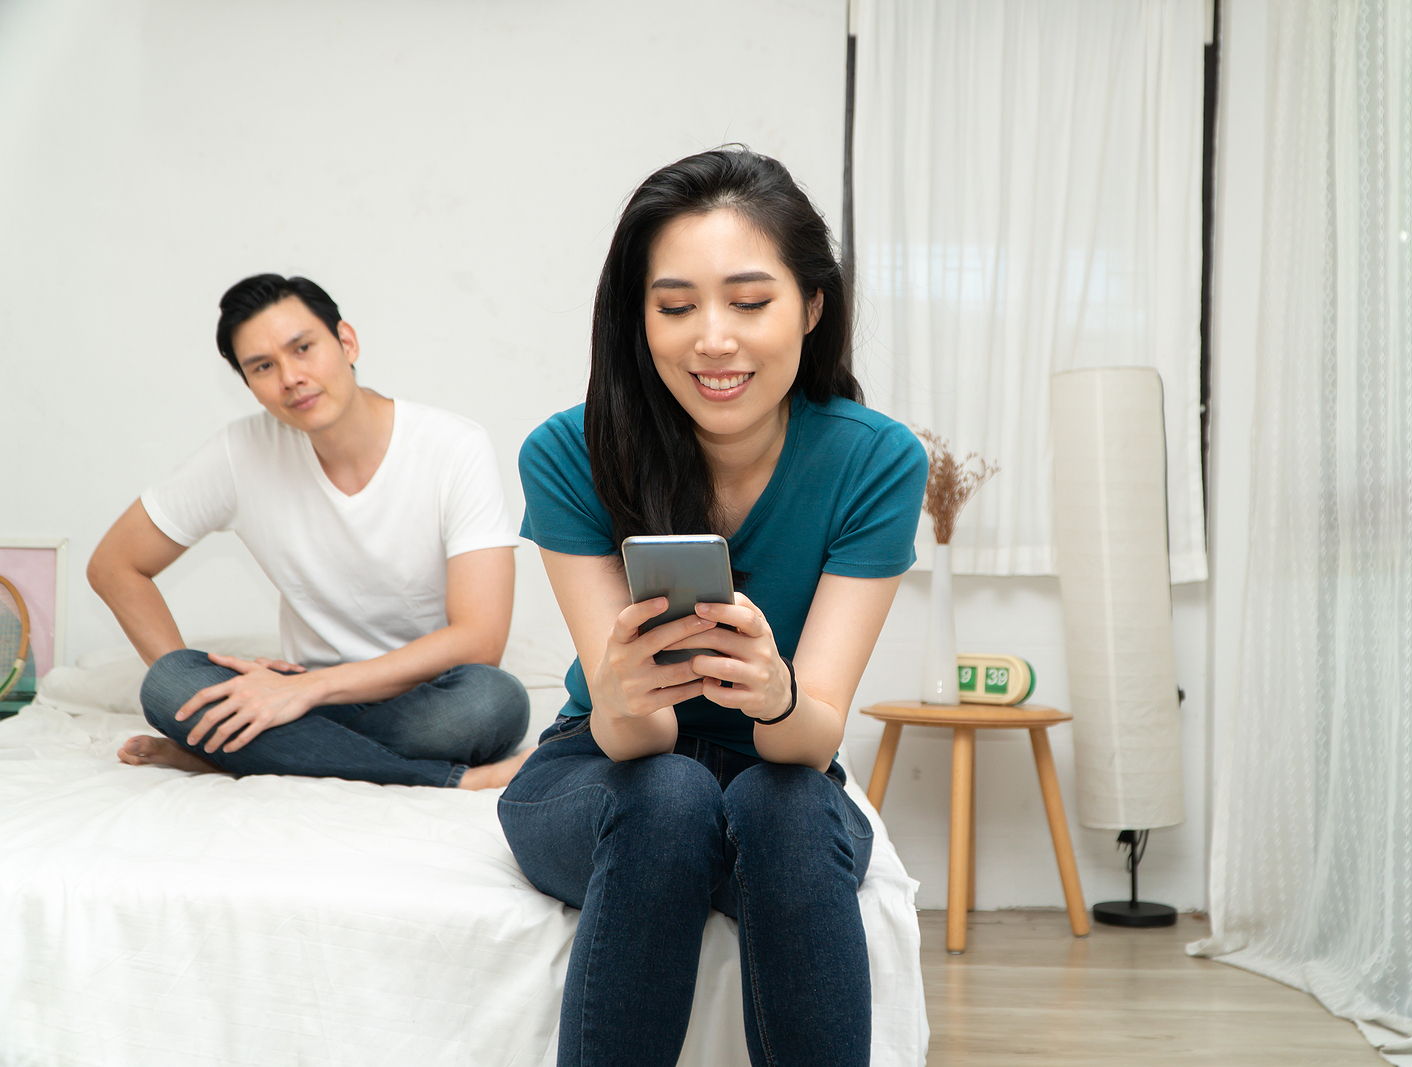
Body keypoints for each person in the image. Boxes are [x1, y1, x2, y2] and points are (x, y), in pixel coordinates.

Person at [501, 148, 929, 1065]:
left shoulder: (877, 460)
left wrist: (772, 692)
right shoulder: (569, 453)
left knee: (782, 801)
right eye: (675, 306)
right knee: (670, 791)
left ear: (812, 307)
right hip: (609, 766)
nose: (713, 340)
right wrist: (623, 689)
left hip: (776, 768)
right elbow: (636, 744)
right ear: (639, 320)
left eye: (749, 300)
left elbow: (810, 742)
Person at [88, 274, 530, 790]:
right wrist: (256, 693)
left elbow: (480, 640)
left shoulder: (453, 446)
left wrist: (309, 692)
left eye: (303, 349)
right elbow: (114, 566)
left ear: (346, 341)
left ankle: (245, 753)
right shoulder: (241, 453)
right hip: (294, 692)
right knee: (167, 684)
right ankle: (451, 779)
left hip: (424, 696)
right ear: (249, 384)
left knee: (493, 702)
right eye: (263, 367)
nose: (291, 377)